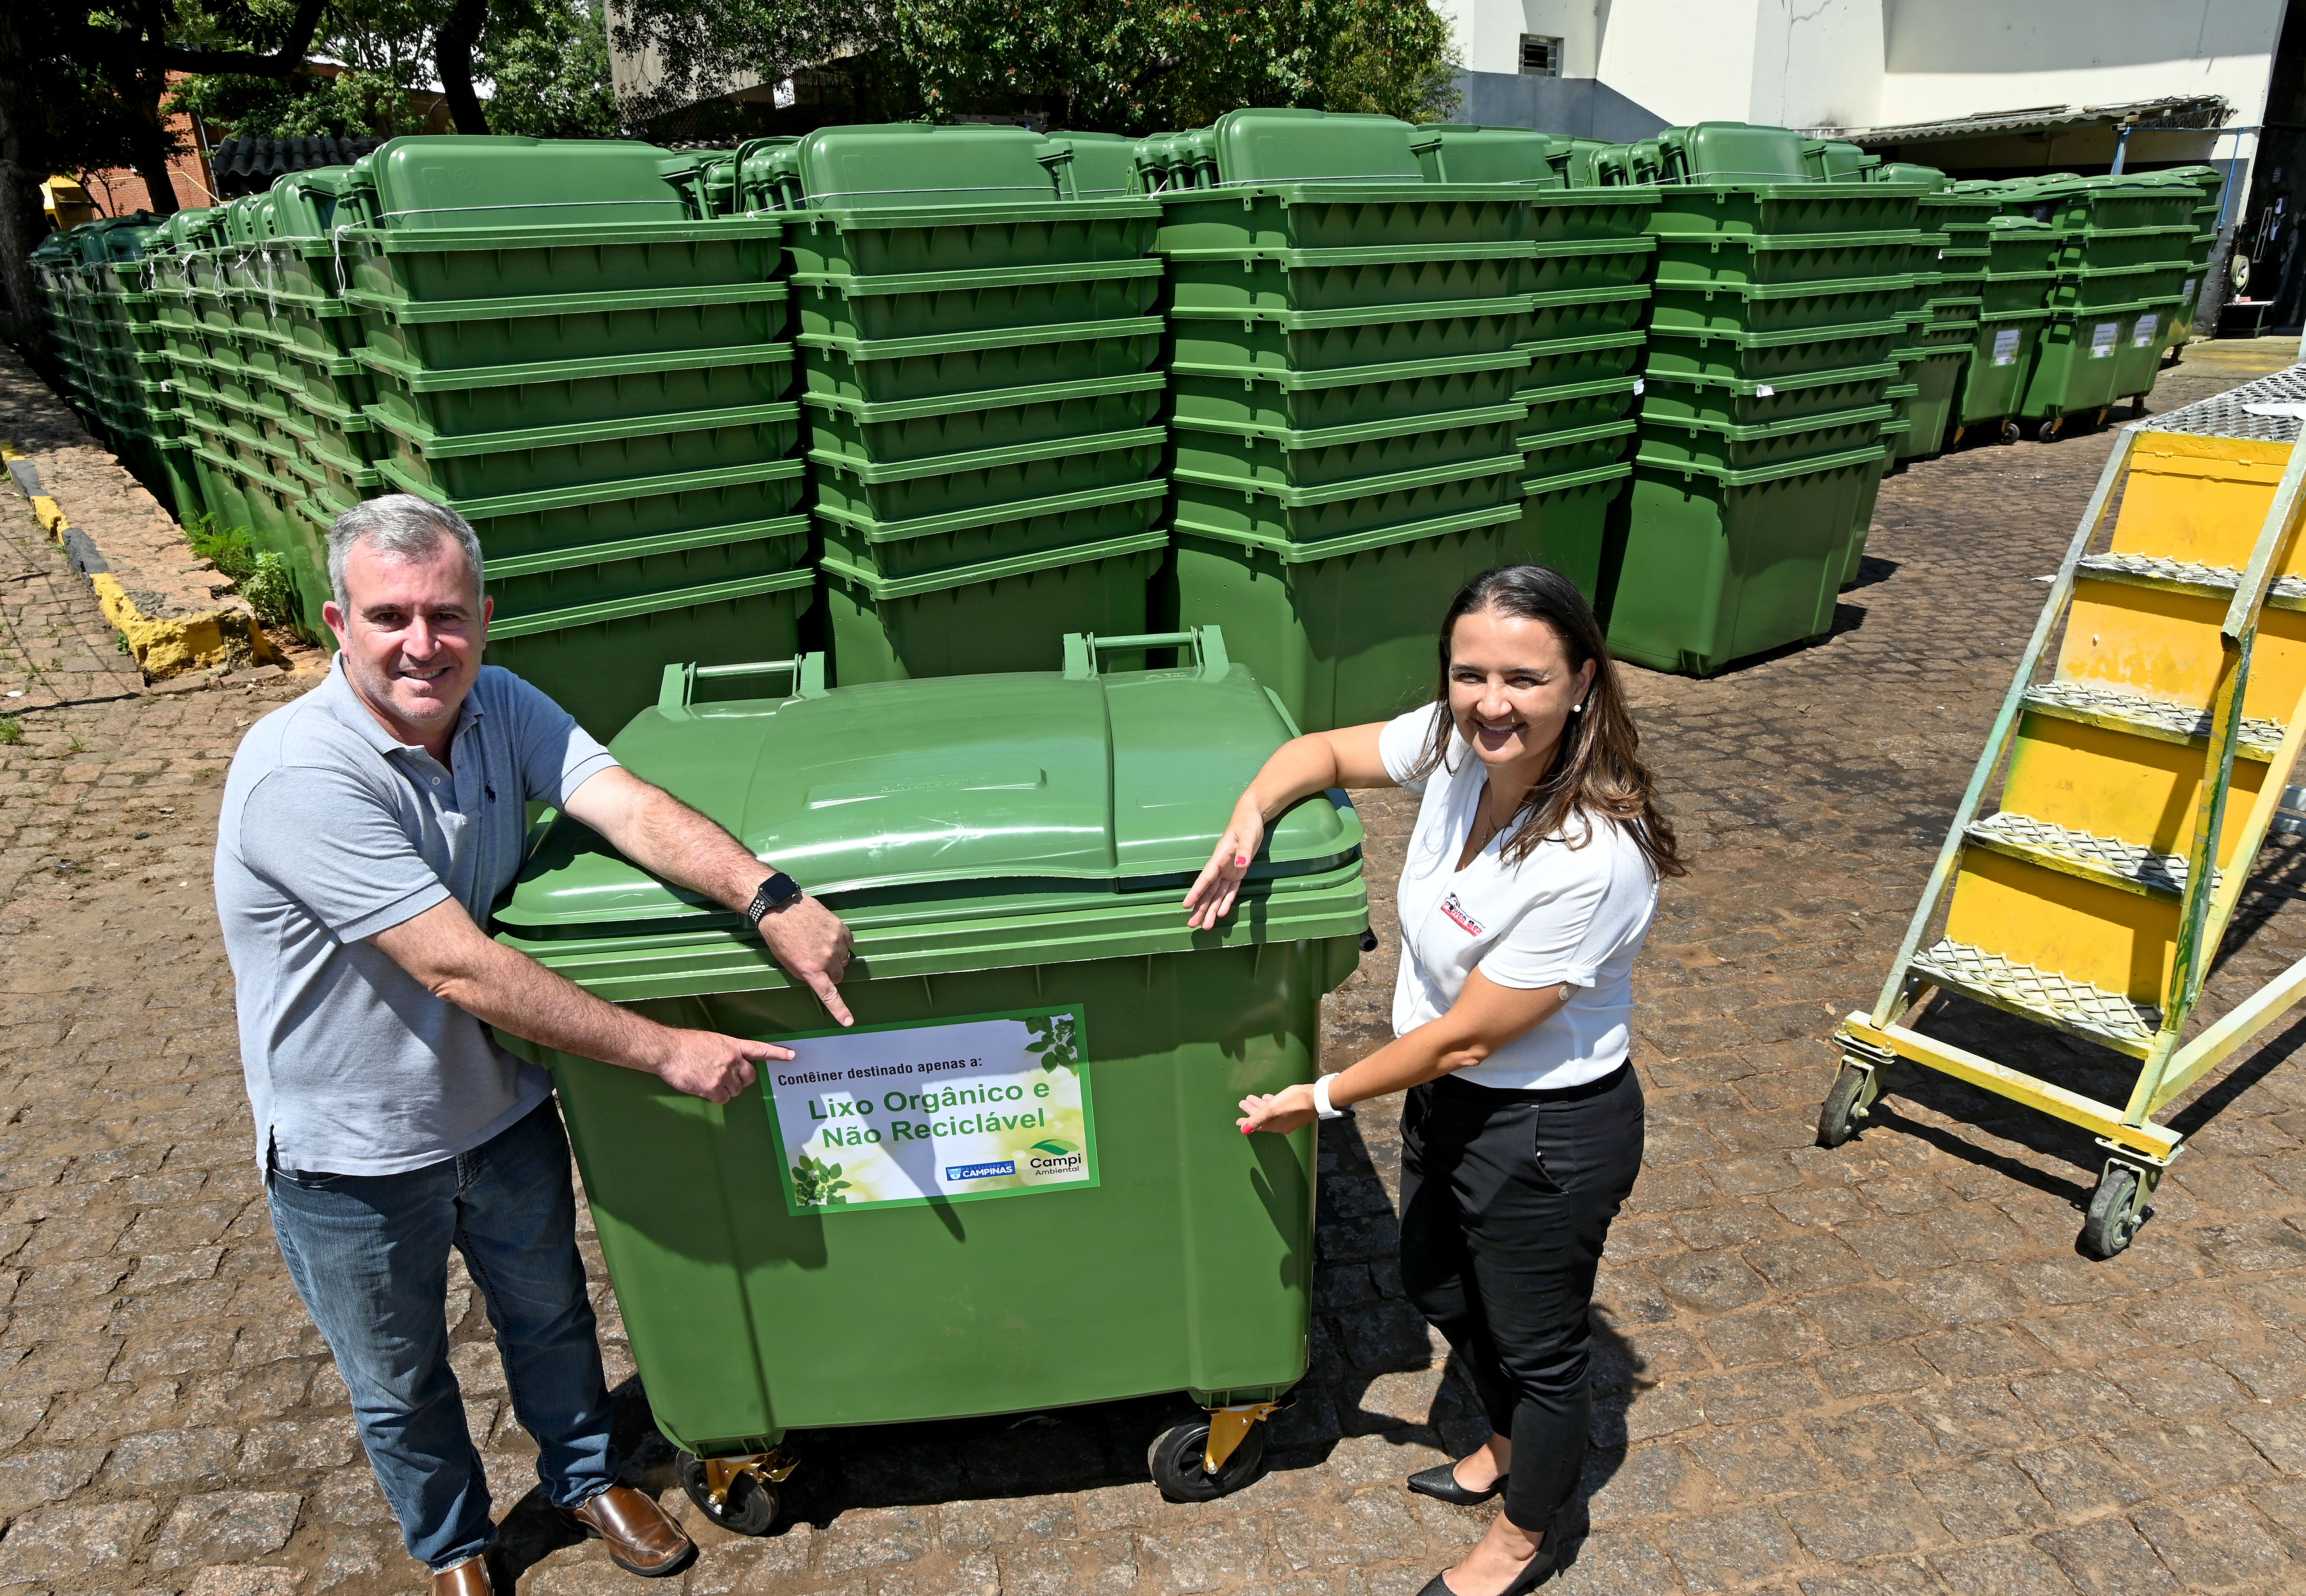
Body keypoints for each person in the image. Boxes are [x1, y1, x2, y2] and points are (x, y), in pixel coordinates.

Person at [215, 495, 856, 1596]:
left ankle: (586, 1475)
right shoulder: (299, 775)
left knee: (552, 1316)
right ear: (336, 622)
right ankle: (455, 1545)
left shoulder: (497, 703)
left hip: (499, 1108)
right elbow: (456, 964)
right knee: (398, 1376)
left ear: (485, 618)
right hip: (353, 1149)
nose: (424, 644)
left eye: (448, 615)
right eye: (391, 616)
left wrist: (768, 895)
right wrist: (660, 1049)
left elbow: (628, 807)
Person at [1188, 564, 1682, 1596]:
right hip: (1450, 1103)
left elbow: (1463, 1038)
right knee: (1435, 1284)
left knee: (1540, 1349)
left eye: (1524, 678)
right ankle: (1503, 1441)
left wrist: (1317, 1099)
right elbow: (1322, 751)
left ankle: (1525, 1533)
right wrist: (1248, 813)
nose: (1491, 703)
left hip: (1544, 1132)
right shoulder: (1458, 745)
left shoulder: (1591, 857)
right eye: (1470, 674)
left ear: (1583, 680)